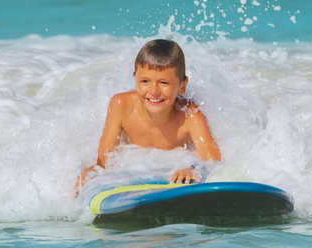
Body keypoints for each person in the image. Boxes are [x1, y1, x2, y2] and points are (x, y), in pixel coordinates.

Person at [75, 39, 221, 195]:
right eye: (144, 81)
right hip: (132, 172)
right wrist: (90, 175)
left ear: (182, 86)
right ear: (135, 80)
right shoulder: (121, 105)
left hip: (170, 173)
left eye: (164, 83)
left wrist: (192, 169)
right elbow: (104, 162)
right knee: (83, 178)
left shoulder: (190, 114)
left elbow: (214, 161)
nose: (154, 91)